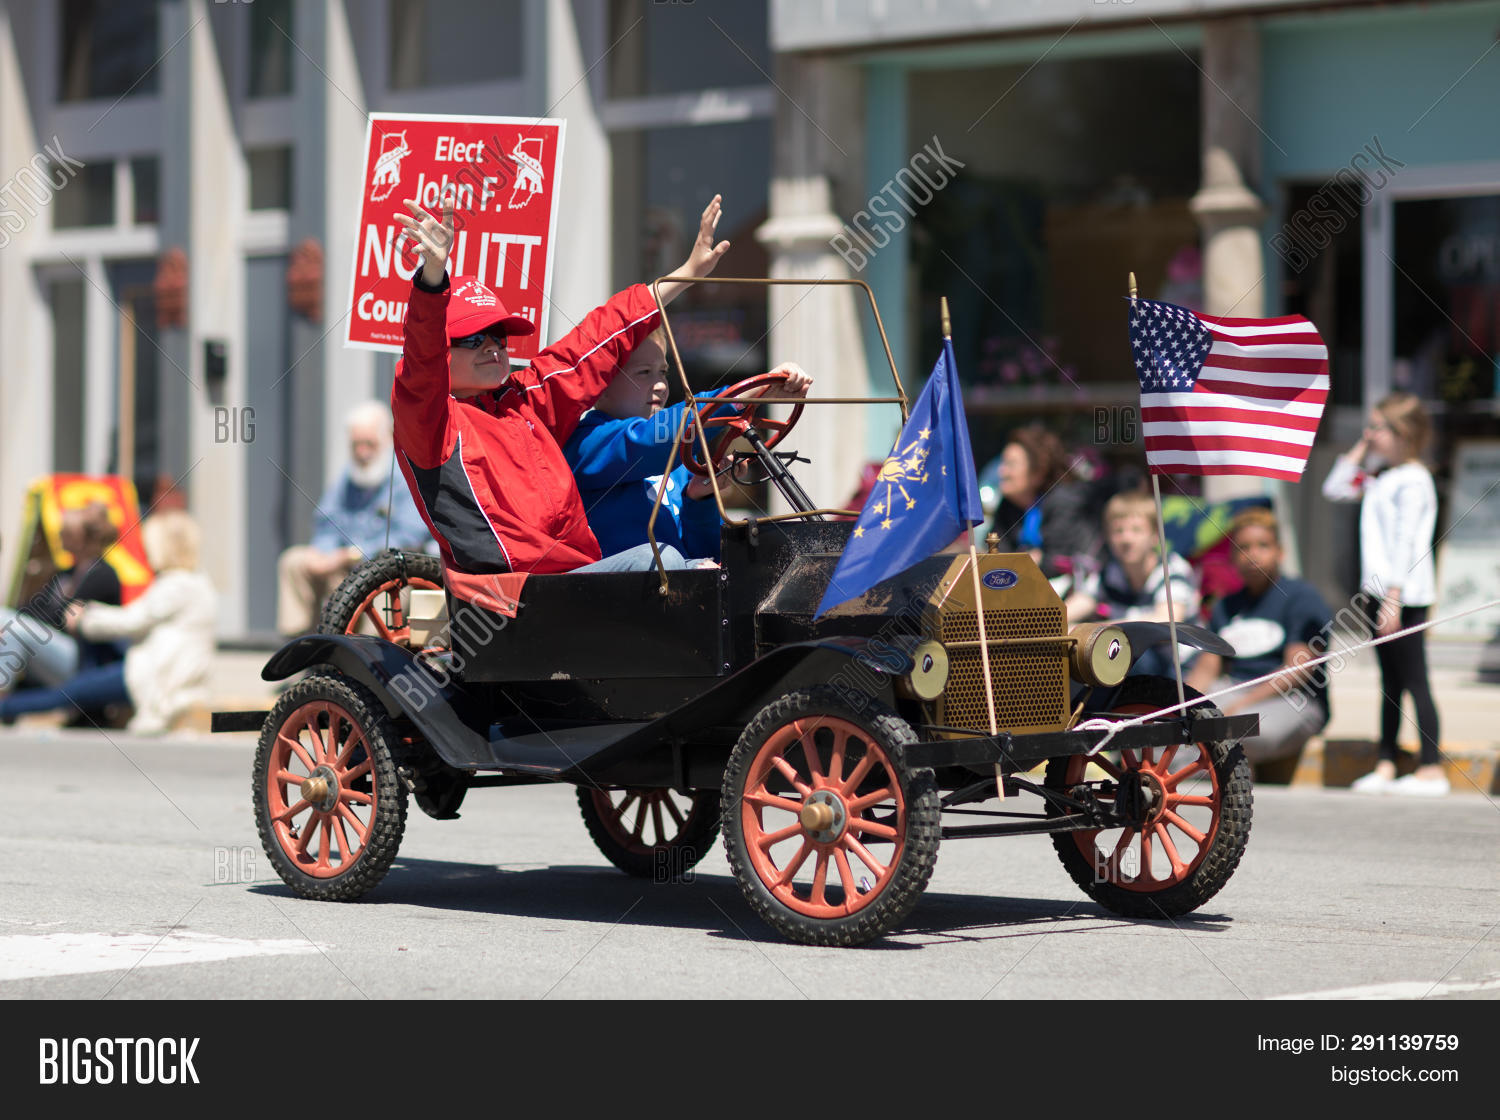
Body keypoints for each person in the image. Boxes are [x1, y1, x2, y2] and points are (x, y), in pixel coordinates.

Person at [390, 192, 729, 614]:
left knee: (716, 572)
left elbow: (590, 344)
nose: (493, 349)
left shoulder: (522, 401)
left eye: (500, 338)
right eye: (474, 339)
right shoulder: (431, 422)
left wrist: (684, 275)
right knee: (661, 562)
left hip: (570, 584)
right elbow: (419, 359)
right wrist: (433, 277)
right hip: (511, 601)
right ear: (443, 350)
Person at [563, 326, 812, 562]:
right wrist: (736, 399)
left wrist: (698, 499)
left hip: (676, 594)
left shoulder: (680, 463)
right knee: (663, 556)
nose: (660, 385)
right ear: (601, 386)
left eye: (663, 372)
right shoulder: (588, 444)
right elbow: (647, 440)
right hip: (619, 596)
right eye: (644, 372)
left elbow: (706, 553)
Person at [1323, 392, 1445, 795]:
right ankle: (1388, 761)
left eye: (1378, 428)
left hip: (1404, 595)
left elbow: (1407, 541)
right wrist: (1362, 446)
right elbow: (1335, 488)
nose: (1370, 435)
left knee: (1415, 679)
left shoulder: (1414, 479)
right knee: (1390, 683)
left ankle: (1431, 768)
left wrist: (1393, 596)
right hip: (1379, 593)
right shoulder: (1380, 475)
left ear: (1402, 434)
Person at [1, 510, 217, 734]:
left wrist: (85, 618)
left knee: (69, 693)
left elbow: (131, 620)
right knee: (70, 691)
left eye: (65, 532)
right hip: (146, 669)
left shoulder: (177, 585)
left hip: (146, 671)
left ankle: (5, 705)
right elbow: (33, 611)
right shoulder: (191, 584)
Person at [1186, 508, 1334, 764]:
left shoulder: (1302, 597)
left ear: (1280, 551)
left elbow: (1297, 671)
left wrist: (1242, 705)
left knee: (1234, 733)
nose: (1252, 554)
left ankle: (1225, 774)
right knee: (1166, 734)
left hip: (1293, 701)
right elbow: (1207, 667)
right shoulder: (1225, 605)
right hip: (1233, 691)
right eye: (1243, 547)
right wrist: (1181, 708)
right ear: (1232, 556)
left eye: (1262, 545)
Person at [276, 401, 430, 635]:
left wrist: (351, 554)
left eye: (369, 444)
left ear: (388, 438)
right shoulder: (348, 477)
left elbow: (409, 535)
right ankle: (301, 643)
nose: (362, 452)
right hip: (345, 564)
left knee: (382, 580)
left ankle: (372, 656)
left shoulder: (405, 476)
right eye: (356, 445)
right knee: (295, 561)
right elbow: (326, 522)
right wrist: (321, 553)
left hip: (389, 567)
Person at [1064, 489, 1200, 677]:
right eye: (1118, 531)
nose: (1126, 539)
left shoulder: (1172, 570)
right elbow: (1071, 608)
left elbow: (1168, 622)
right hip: (1132, 660)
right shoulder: (1109, 573)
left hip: (1179, 669)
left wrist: (1094, 630)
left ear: (1155, 536)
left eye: (1136, 530)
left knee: (1125, 657)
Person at [0, 503, 124, 700]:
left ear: (82, 539)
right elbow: (32, 609)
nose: (58, 535)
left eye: (65, 532)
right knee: (7, 623)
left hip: (82, 660)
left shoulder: (103, 575)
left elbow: (62, 620)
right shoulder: (66, 574)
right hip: (55, 649)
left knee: (10, 624)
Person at [986, 424, 1100, 579]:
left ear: (1038, 472)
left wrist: (1025, 560)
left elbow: (1058, 563)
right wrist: (1030, 558)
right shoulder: (1008, 505)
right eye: (1003, 463)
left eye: (1010, 464)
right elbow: (997, 559)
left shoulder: (1063, 501)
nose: (1002, 471)